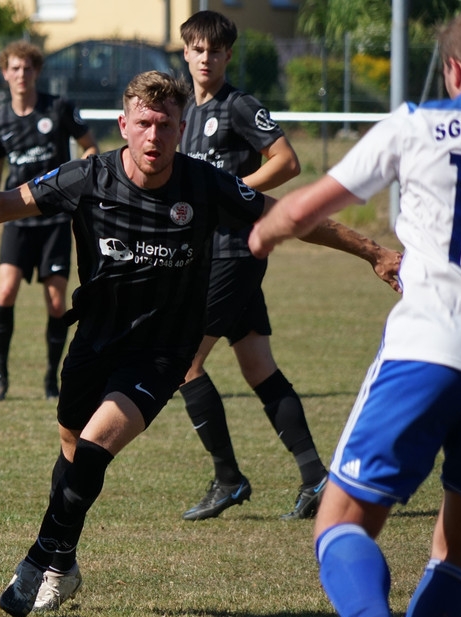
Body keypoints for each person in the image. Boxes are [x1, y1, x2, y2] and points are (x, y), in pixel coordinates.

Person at [0, 70, 401, 617]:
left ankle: (39, 560)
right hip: (95, 339)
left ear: (182, 128)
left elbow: (290, 217)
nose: (154, 136)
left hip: (162, 350)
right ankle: (65, 562)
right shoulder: (89, 177)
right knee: (72, 451)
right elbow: (2, 204)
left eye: (166, 125)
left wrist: (372, 250)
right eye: (145, 124)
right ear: (123, 124)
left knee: (95, 447)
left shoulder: (203, 184)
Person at [250, 5, 461, 617]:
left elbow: (305, 207)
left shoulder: (416, 123)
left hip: (427, 348)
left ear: (453, 70)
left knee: (340, 522)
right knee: (458, 550)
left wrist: (263, 233)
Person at [176, 10, 327, 522]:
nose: (206, 58)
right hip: (210, 251)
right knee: (259, 366)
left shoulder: (238, 105)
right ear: (186, 53)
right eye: (198, 50)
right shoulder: (186, 112)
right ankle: (316, 477)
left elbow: (287, 161)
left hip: (235, 251)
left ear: (228, 56)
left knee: (185, 362)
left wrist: (237, 188)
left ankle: (228, 478)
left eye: (215, 51)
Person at [0, 40, 99, 402]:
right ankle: (1, 375)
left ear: (37, 72)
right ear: (5, 73)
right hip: (17, 220)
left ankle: (52, 378)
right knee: (5, 292)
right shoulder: (0, 120)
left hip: (54, 221)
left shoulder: (58, 108)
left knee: (56, 303)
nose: (21, 74)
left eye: (28, 68)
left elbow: (89, 145)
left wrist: (84, 172)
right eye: (15, 68)